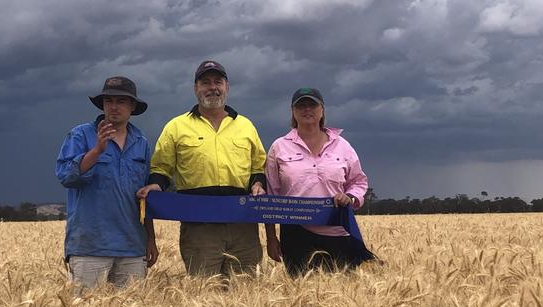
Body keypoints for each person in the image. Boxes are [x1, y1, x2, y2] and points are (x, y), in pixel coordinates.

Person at [137, 60, 267, 277]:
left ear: (227, 87)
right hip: (198, 226)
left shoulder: (246, 126)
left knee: (246, 293)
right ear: (195, 88)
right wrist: (156, 185)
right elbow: (162, 166)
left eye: (218, 81)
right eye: (205, 82)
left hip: (242, 224)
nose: (212, 87)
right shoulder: (176, 127)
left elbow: (258, 165)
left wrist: (258, 183)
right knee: (203, 292)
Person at [56, 76, 158, 293]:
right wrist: (96, 151)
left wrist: (150, 238)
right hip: (89, 247)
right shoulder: (80, 135)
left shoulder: (141, 143)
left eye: (121, 101)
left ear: (132, 107)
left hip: (132, 246)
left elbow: (145, 196)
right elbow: (66, 176)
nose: (113, 106)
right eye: (108, 100)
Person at [264, 87, 376, 276]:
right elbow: (271, 195)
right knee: (302, 294)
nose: (307, 109)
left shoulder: (343, 145)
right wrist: (271, 238)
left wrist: (350, 196)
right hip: (295, 234)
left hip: (338, 230)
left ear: (322, 110)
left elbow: (358, 182)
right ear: (293, 111)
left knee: (341, 294)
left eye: (312, 105)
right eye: (301, 105)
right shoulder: (279, 147)